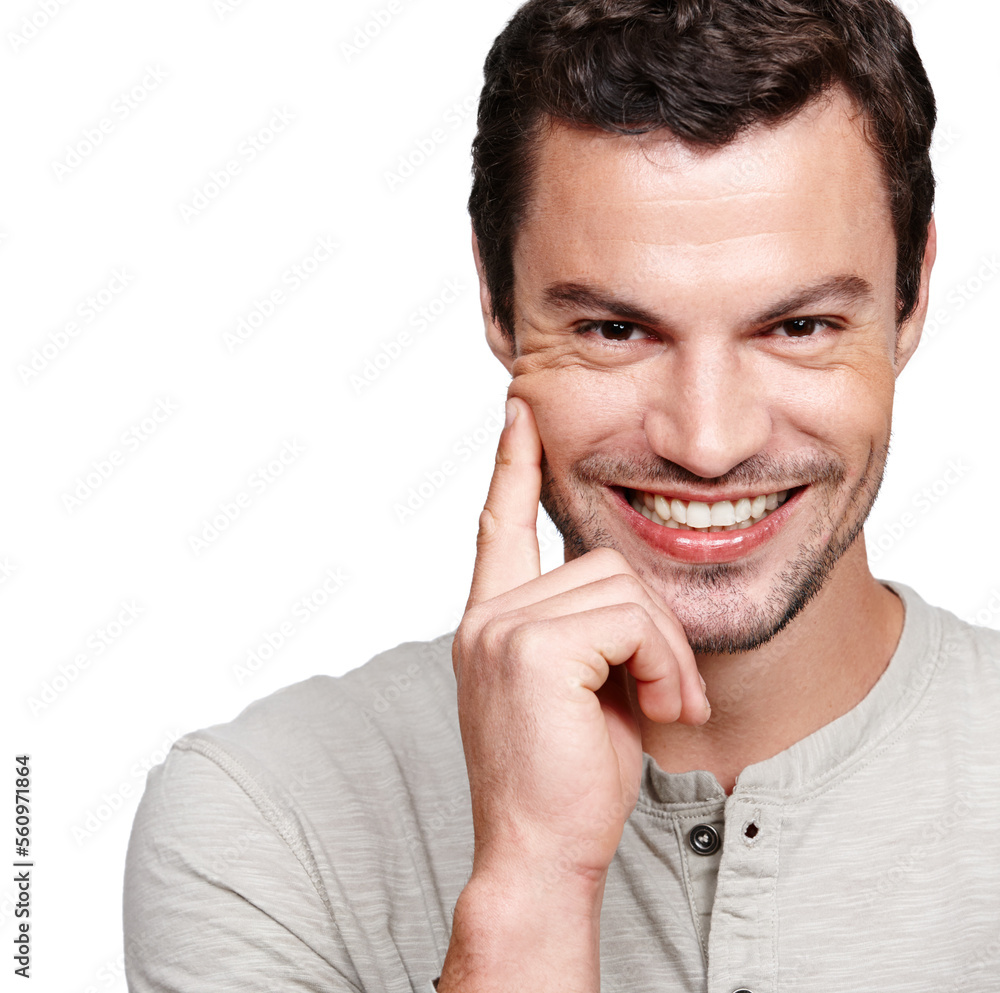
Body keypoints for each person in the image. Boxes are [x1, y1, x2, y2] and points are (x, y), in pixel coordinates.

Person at [123, 1, 1000, 990]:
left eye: (796, 327)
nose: (707, 444)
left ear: (913, 296)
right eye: (614, 331)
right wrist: (531, 881)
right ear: (497, 303)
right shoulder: (263, 820)